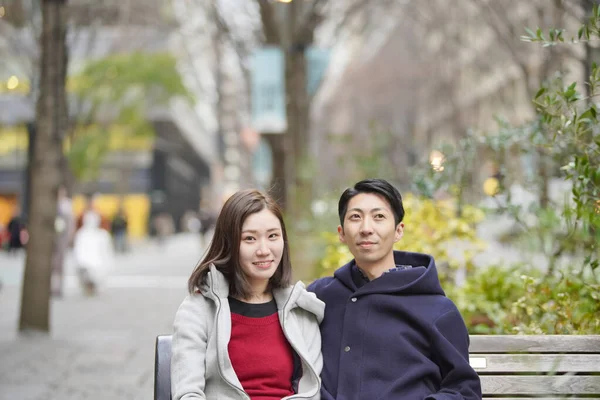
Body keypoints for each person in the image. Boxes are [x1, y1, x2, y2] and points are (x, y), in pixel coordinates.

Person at [308, 178, 482, 400]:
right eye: (355, 217)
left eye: (379, 216)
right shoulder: (320, 297)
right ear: (341, 233)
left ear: (399, 230)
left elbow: (465, 390)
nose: (366, 228)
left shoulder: (436, 309)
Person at [171, 189, 324, 400]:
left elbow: (310, 394)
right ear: (229, 244)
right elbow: (188, 393)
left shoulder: (300, 309)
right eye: (250, 239)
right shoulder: (198, 310)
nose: (264, 249)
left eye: (273, 236)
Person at [73, 212, 114, 296]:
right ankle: (90, 285)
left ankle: (91, 285)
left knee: (92, 271)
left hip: (93, 264)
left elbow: (106, 252)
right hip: (88, 264)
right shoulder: (82, 234)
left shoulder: (100, 235)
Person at [52, 186, 75, 297]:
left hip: (62, 238)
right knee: (52, 264)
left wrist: (70, 236)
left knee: (60, 263)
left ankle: (59, 287)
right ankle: (52, 287)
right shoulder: (51, 203)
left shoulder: (67, 204)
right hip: (53, 237)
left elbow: (71, 222)